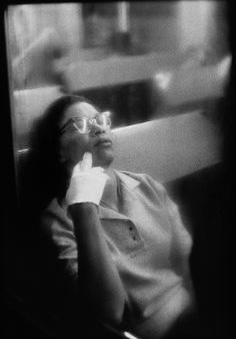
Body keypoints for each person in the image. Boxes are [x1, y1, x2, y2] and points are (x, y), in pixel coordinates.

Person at [32, 94, 196, 339]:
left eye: (100, 120)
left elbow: (189, 263)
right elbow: (109, 311)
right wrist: (84, 207)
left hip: (195, 316)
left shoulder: (145, 184)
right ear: (59, 150)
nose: (99, 128)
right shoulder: (59, 219)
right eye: (80, 124)